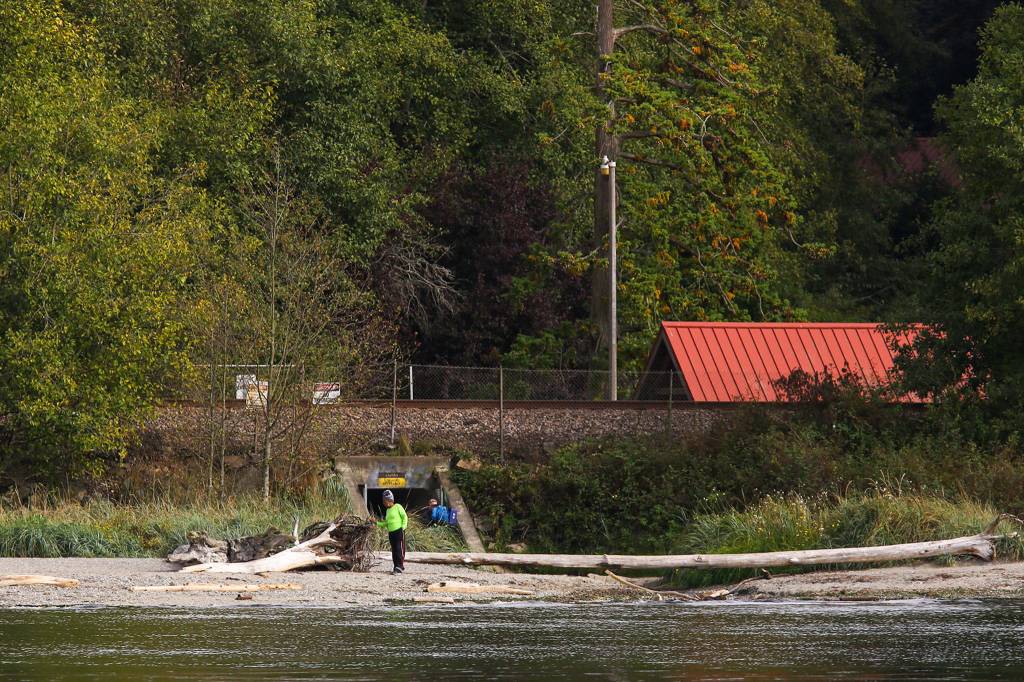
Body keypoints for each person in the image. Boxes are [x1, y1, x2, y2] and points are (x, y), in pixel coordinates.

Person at [376, 490, 407, 574]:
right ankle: (396, 566)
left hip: (399, 531)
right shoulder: (388, 511)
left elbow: (404, 517)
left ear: (390, 500)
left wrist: (403, 527)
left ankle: (400, 566)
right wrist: (376, 523)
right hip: (391, 533)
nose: (383, 503)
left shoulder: (398, 506)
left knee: (399, 549)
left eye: (384, 501)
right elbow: (386, 523)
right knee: (394, 550)